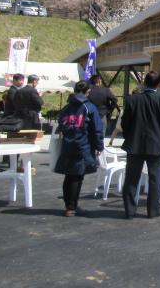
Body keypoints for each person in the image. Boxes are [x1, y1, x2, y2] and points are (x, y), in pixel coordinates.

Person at [121, 71, 160, 219]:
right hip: (155, 144)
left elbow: (125, 123)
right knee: (155, 178)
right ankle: (153, 210)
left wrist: (129, 137)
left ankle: (129, 210)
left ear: (144, 83)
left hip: (134, 144)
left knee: (131, 178)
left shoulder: (132, 100)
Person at [54, 80, 104, 217]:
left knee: (68, 176)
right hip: (83, 144)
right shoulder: (89, 107)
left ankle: (68, 205)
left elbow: (60, 124)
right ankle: (72, 207)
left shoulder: (67, 107)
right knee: (77, 176)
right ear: (88, 91)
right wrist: (99, 145)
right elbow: (97, 128)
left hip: (67, 144)